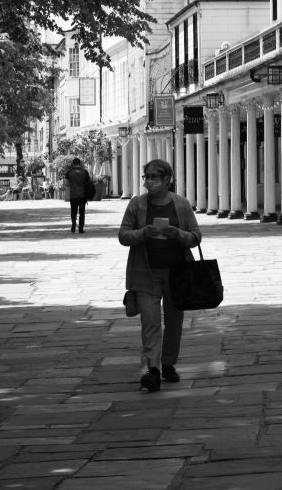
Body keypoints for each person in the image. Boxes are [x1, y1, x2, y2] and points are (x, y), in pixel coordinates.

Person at [118, 158, 201, 392]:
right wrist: (144, 232)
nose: (149, 182)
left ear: (167, 180)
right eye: (147, 177)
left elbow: (196, 237)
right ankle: (152, 369)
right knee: (150, 322)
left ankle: (168, 363)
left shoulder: (181, 205)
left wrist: (178, 234)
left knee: (174, 322)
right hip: (146, 273)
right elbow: (123, 235)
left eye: (155, 177)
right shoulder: (137, 204)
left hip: (177, 274)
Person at [64, 158, 93, 234]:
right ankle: (81, 228)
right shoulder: (84, 172)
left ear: (73, 164)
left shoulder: (69, 172)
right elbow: (88, 183)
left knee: (73, 211)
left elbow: (66, 184)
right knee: (82, 212)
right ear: (80, 164)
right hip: (82, 195)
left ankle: (73, 222)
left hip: (73, 195)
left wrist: (72, 184)